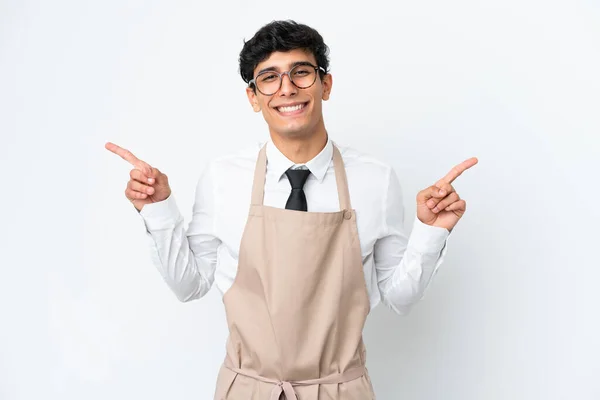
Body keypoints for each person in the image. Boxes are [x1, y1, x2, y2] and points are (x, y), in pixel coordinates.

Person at [106, 19, 477, 400]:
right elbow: (190, 285)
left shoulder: (375, 180)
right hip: (247, 390)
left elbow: (400, 297)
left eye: (301, 73)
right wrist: (158, 210)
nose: (287, 89)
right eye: (269, 77)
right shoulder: (223, 178)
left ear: (325, 84)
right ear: (253, 97)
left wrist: (432, 230)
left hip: (340, 391)